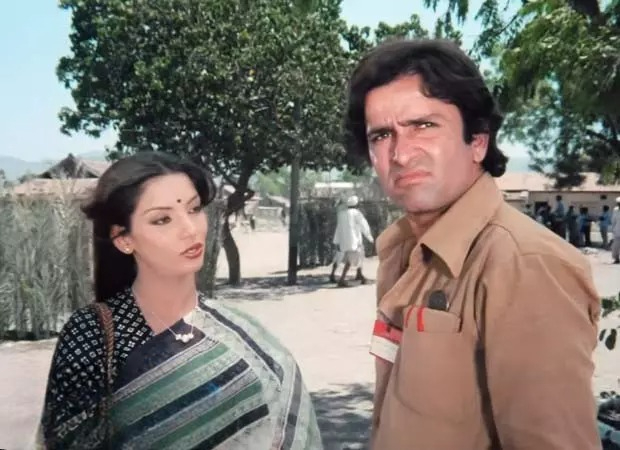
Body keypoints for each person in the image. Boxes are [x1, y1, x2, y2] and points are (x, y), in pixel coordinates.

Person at [344, 38, 601, 449]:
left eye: (423, 125)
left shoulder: (524, 264)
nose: (401, 154)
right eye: (381, 135)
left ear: (478, 140)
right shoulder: (404, 251)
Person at [37, 152, 322, 450]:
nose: (190, 229)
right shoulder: (92, 334)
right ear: (124, 239)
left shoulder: (243, 336)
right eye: (162, 219)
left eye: (194, 209)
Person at [330, 195, 374, 287]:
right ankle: (342, 280)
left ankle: (359, 275)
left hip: (343, 240)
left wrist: (336, 240)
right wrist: (370, 237)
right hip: (354, 240)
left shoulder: (341, 214)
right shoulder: (356, 213)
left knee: (341, 257)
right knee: (351, 259)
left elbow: (338, 228)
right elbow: (364, 225)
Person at [611, 197, 620, 263]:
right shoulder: (615, 210)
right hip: (617, 230)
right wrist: (613, 229)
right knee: (615, 246)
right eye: (618, 203)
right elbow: (613, 220)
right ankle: (616, 258)